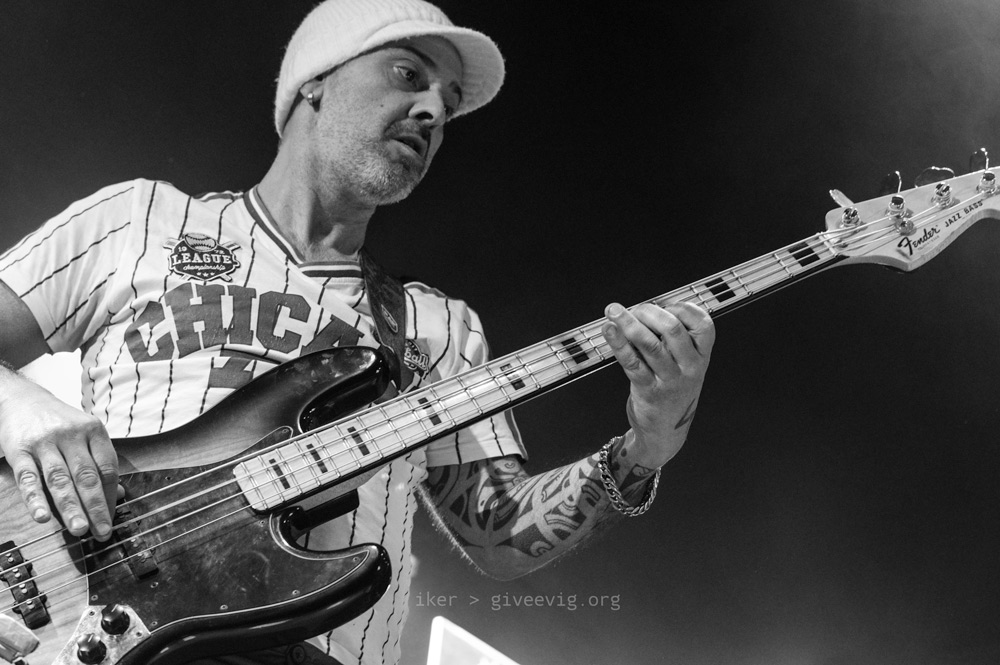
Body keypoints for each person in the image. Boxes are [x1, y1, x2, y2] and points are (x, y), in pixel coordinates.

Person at [0, 1, 715, 663]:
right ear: (315, 82)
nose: (434, 109)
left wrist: (644, 447)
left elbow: (499, 532)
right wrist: (19, 407)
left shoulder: (433, 326)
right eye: (408, 74)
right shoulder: (139, 222)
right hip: (83, 622)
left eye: (449, 101)